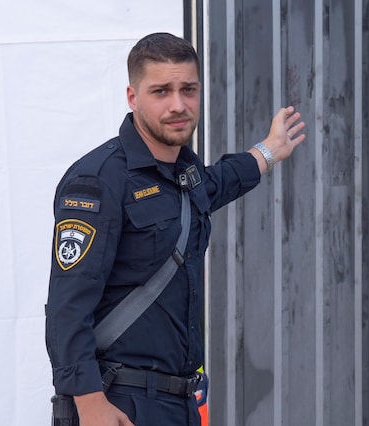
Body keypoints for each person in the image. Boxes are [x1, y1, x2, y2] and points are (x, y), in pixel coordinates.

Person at [45, 32, 306, 426]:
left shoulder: (183, 172)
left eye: (189, 89)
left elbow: (218, 183)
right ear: (133, 97)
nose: (178, 105)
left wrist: (268, 151)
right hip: (119, 403)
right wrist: (91, 403)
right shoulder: (99, 180)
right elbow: (67, 309)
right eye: (161, 91)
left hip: (179, 402)